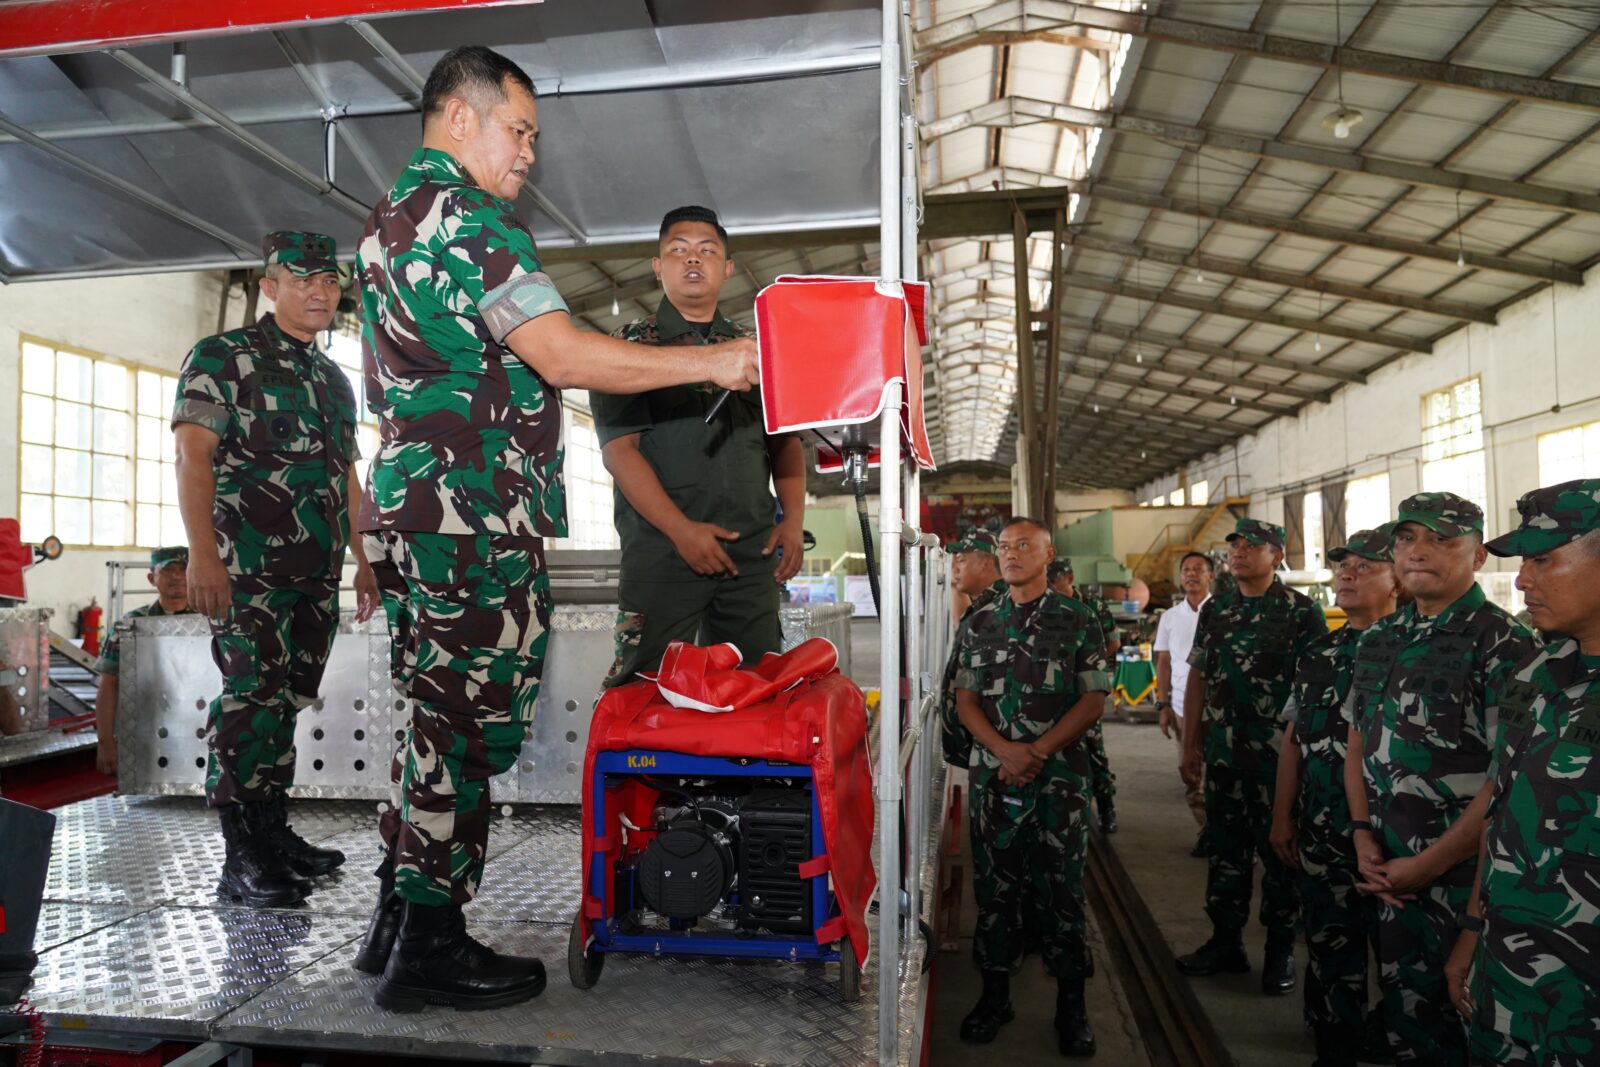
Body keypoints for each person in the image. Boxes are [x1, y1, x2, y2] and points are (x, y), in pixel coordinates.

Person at [350, 46, 759, 1012]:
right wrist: (713, 364)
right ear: (461, 118)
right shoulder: (469, 217)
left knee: (429, 716)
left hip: (419, 503)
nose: (530, 152)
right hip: (472, 510)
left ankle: (395, 918)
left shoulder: (384, 224)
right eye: (520, 130)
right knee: (465, 728)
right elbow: (563, 354)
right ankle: (431, 945)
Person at [173, 230, 378, 910]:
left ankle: (273, 832)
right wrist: (204, 554)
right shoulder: (222, 358)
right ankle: (242, 858)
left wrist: (365, 557)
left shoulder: (332, 378)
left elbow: (346, 475)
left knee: (285, 700)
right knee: (249, 701)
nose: (320, 290)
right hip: (247, 572)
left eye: (329, 280)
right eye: (303, 278)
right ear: (270, 285)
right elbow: (192, 459)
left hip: (313, 575)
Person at [1342, 493, 1535, 1067]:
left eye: (1441, 540)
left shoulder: (1506, 644)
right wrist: (1360, 834)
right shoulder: (1379, 639)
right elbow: (1358, 744)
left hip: (1462, 886)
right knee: (1405, 1018)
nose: (1418, 552)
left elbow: (1507, 782)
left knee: (1464, 1027)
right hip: (1385, 871)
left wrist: (1428, 866)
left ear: (1478, 556)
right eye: (1407, 539)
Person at [592, 206, 805, 685]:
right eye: (678, 251)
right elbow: (619, 451)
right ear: (657, 265)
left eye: (707, 251)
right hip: (662, 554)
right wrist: (681, 531)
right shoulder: (628, 348)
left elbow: (786, 445)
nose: (693, 261)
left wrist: (792, 522)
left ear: (727, 269)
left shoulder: (758, 351)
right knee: (644, 689)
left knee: (751, 689)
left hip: (748, 561)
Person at [1444, 480, 1600, 1066]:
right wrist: (1471, 930)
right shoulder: (1538, 671)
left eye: (1543, 560)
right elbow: (1502, 811)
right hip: (1505, 984)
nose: (1522, 580)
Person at [953, 517, 1111, 1057]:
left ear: (1049, 553)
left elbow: (1094, 699)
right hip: (995, 780)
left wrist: (1036, 752)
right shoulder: (979, 622)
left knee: (1062, 894)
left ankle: (1073, 1006)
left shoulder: (1077, 619)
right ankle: (995, 996)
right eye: (1005, 546)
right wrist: (1004, 751)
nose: (1012, 554)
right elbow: (965, 701)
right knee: (995, 893)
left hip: (1059, 783)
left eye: (1025, 546)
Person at [1177, 518, 1326, 996]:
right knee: (1225, 853)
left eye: (1253, 545)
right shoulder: (1216, 610)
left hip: (1277, 762)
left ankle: (1280, 951)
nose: (1239, 552)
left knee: (1281, 857)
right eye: (1235, 545)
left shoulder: (1302, 613)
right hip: (1223, 756)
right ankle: (1226, 942)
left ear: (1277, 555)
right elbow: (1199, 676)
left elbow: (1313, 695)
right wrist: (1190, 742)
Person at [1270, 530, 1398, 1067]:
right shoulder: (1319, 652)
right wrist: (1282, 817)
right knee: (1329, 953)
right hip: (1324, 831)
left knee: (1399, 963)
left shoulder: (1413, 650)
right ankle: (1335, 1044)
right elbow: (1294, 742)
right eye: (1343, 564)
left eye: (1366, 566)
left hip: (1397, 840)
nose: (1347, 573)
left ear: (1400, 579)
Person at [92, 547, 197, 776]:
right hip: (145, 733)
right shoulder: (132, 624)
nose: (177, 576)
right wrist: (105, 742)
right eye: (169, 570)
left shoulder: (211, 620)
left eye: (184, 569)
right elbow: (109, 683)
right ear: (152, 578)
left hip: (199, 730)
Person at [1047, 557, 1120, 834]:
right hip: (1056, 694)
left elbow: (1114, 642)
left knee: (1094, 752)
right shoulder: (1047, 608)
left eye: (1058, 582)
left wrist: (1089, 664)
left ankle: (1106, 807)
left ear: (1070, 578)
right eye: (1049, 583)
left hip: (1085, 692)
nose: (1053, 588)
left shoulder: (1093, 607)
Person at [1156, 551, 1214, 850]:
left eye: (1198, 569)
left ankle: (1227, 835)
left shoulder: (1222, 613)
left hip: (1216, 710)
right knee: (1189, 771)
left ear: (1210, 576)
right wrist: (1163, 705)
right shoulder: (1169, 617)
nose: (1191, 574)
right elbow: (1163, 663)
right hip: (1180, 707)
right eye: (1186, 570)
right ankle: (1206, 830)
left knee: (1219, 775)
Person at [939, 530, 1006, 768]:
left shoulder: (1001, 608)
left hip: (1000, 750)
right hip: (988, 746)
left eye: (962, 560)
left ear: (986, 563)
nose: (954, 567)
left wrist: (1003, 750)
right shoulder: (984, 605)